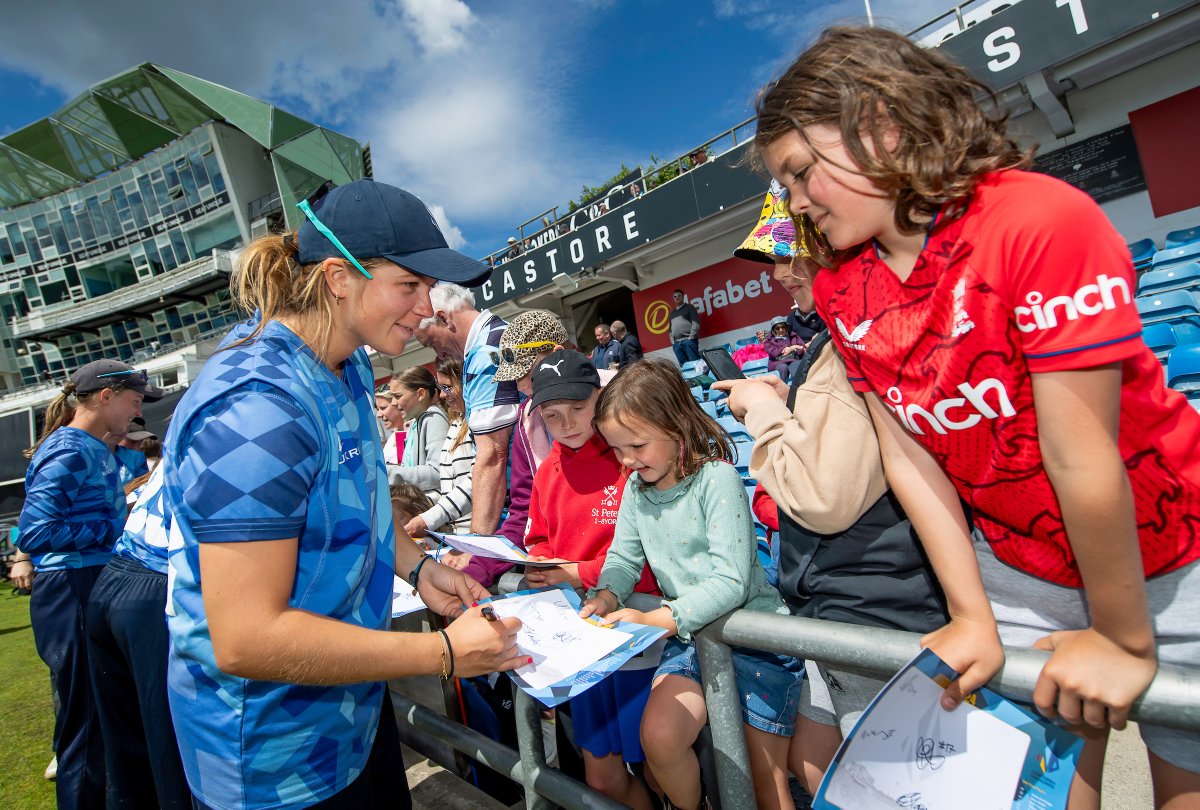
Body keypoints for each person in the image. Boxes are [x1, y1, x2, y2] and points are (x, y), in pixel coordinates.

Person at [756, 26, 1200, 807]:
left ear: (882, 127)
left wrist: (1122, 638)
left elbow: (1078, 451)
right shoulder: (837, 288)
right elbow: (909, 456)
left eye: (799, 172)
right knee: (1038, 793)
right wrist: (971, 617)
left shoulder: (1036, 218)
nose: (793, 202)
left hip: (1170, 560)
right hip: (1016, 572)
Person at [160, 179, 524, 810]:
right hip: (273, 760)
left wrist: (419, 567)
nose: (425, 307)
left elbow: (362, 491)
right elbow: (245, 636)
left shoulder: (349, 358)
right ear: (337, 277)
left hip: (350, 708)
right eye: (408, 286)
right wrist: (440, 652)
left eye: (428, 286)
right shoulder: (258, 408)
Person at [715, 188, 947, 792]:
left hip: (872, 605)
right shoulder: (843, 337)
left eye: (789, 255)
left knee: (896, 788)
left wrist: (763, 408)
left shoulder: (849, 343)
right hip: (852, 602)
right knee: (826, 764)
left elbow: (822, 497)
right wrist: (787, 399)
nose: (779, 274)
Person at [581, 360, 804, 810]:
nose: (626, 461)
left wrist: (658, 619)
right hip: (691, 640)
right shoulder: (635, 489)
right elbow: (623, 559)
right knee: (659, 737)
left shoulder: (717, 479)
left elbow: (731, 582)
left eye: (636, 445)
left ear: (676, 426)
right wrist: (606, 594)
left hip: (754, 643)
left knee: (764, 780)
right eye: (617, 449)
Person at [18, 358, 163, 810]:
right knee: (86, 726)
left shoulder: (91, 447)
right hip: (70, 586)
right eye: (133, 401)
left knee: (105, 720)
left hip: (87, 582)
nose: (137, 413)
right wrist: (118, 529)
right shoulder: (70, 449)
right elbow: (35, 533)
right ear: (104, 396)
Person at [522, 350, 660, 810]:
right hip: (580, 639)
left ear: (600, 397)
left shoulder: (631, 457)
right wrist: (538, 564)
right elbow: (539, 539)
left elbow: (652, 554)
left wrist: (575, 572)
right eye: (552, 415)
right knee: (601, 779)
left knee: (659, 766)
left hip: (638, 632)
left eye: (578, 408)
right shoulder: (547, 470)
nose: (566, 424)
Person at [86, 463, 191, 809]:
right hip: (155, 586)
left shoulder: (183, 444)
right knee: (169, 749)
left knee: (127, 755)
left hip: (117, 577)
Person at [448, 309, 570, 585]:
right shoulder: (527, 419)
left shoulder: (614, 401)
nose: (521, 385)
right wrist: (473, 574)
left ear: (558, 354)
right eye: (514, 376)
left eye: (527, 373)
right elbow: (524, 514)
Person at [417, 282, 520, 535]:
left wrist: (477, 543)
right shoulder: (495, 337)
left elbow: (493, 456)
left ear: (444, 318)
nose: (439, 355)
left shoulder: (485, 353)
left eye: (432, 343)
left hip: (515, 507)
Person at [404, 358, 476, 537]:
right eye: (440, 387)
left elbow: (478, 480)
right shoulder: (457, 422)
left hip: (478, 531)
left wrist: (429, 519)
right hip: (460, 532)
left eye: (448, 387)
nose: (443, 394)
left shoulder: (477, 423)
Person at [389, 366, 450, 501]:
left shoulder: (434, 419)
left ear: (421, 394)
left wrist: (390, 473)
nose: (393, 403)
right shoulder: (416, 424)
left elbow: (437, 472)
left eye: (398, 396)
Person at [761, 318, 805, 382]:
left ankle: (799, 384)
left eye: (783, 327)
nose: (781, 330)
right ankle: (783, 385)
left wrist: (792, 349)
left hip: (794, 360)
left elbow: (802, 348)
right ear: (774, 330)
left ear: (786, 328)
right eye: (777, 328)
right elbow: (775, 353)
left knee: (797, 364)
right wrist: (793, 347)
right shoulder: (768, 341)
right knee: (783, 367)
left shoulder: (794, 336)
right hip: (777, 362)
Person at [669, 289, 701, 365]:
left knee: (696, 364)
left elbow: (696, 323)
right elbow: (670, 330)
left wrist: (691, 338)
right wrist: (673, 342)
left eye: (679, 296)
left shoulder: (689, 307)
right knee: (685, 367)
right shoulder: (672, 313)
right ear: (673, 298)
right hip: (677, 344)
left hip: (688, 341)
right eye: (675, 296)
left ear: (683, 297)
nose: (677, 298)